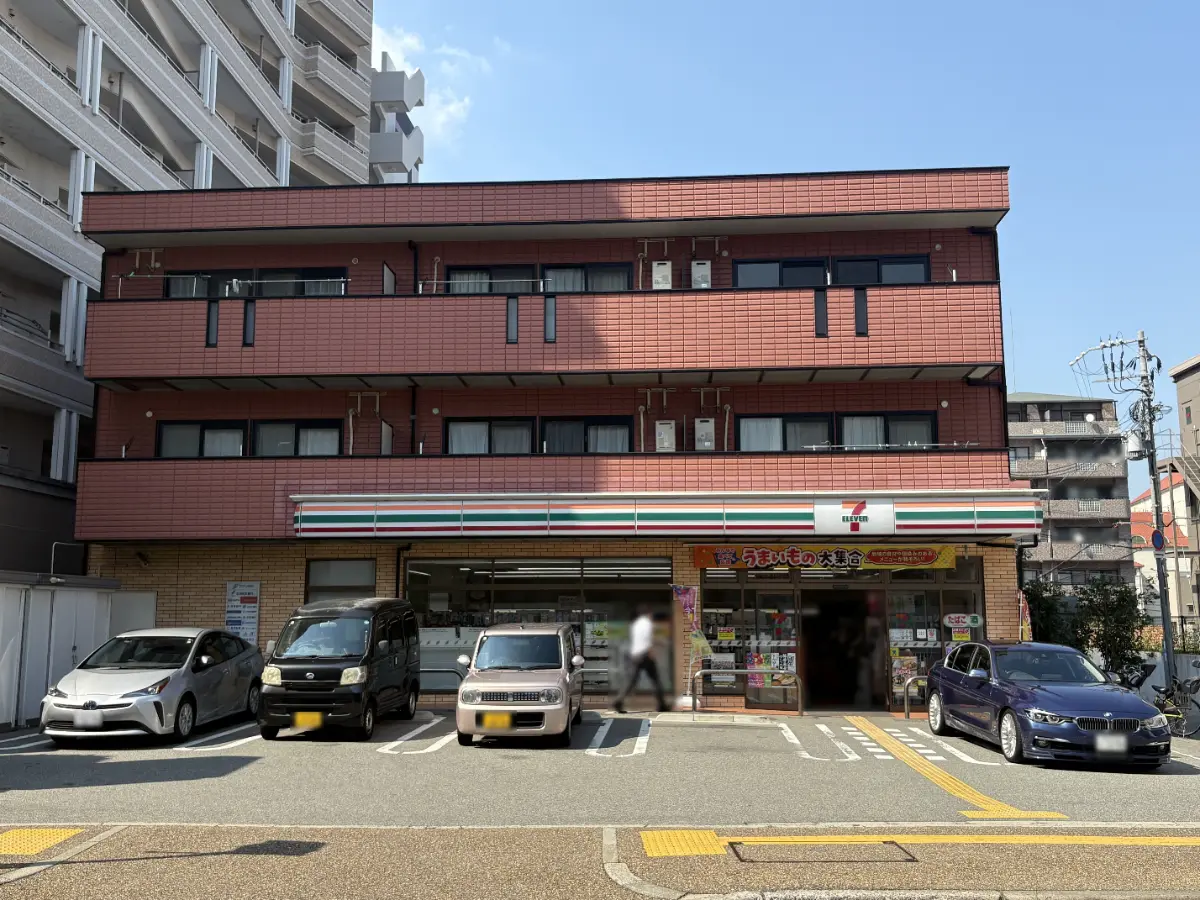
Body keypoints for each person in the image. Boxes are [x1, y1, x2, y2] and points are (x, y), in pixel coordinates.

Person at [612, 605, 669, 713]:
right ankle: (662, 705)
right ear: (648, 614)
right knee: (656, 680)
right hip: (644, 654)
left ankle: (618, 701)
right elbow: (647, 639)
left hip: (635, 655)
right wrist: (650, 651)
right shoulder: (647, 623)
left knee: (631, 680)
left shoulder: (636, 624)